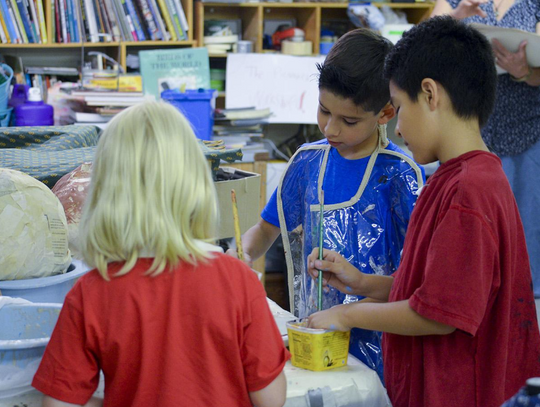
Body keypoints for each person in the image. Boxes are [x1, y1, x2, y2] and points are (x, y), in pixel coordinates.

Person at [305, 16, 540, 407]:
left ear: (430, 95)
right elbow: (431, 292)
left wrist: (348, 316)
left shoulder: (469, 192)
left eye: (398, 107)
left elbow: (439, 315)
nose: (397, 129)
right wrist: (362, 282)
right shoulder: (455, 179)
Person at [32, 101, 290, 407]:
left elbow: (57, 403)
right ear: (195, 185)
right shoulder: (237, 279)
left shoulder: (89, 294)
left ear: (102, 193)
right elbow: (271, 399)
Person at [228, 28, 424, 379]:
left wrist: (362, 283)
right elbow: (264, 231)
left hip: (385, 348)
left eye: (348, 121)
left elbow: (419, 283)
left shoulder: (401, 175)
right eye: (323, 111)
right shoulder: (306, 163)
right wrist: (239, 254)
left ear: (384, 113)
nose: (330, 129)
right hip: (314, 335)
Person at [431, 0, 540, 296]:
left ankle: (522, 321)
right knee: (467, 233)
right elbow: (421, 49)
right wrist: (455, 18)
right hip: (465, 134)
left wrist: (525, 72)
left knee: (526, 245)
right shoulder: (457, 1)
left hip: (527, 132)